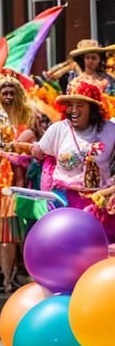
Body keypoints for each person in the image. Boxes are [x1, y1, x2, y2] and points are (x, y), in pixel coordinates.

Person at [32, 78, 115, 237]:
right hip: (64, 203)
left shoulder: (110, 130)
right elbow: (40, 154)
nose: (73, 110)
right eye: (70, 105)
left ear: (92, 108)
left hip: (98, 203)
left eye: (80, 105)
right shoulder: (58, 130)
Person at [0, 75, 38, 292]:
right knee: (3, 233)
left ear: (18, 94)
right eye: (3, 93)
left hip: (22, 179)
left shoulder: (28, 117)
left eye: (11, 92)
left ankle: (21, 273)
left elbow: (38, 146)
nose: (7, 96)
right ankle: (6, 279)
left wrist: (24, 144)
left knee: (23, 232)